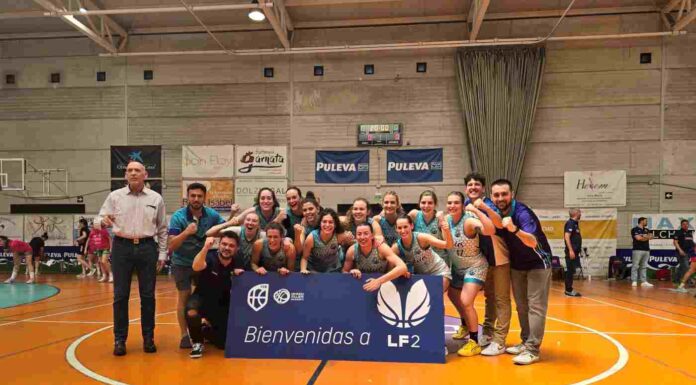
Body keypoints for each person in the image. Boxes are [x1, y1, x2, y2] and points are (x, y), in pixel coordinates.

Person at [96, 160, 168, 357]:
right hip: (121, 248)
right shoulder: (114, 197)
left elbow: (162, 229)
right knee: (120, 296)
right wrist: (102, 221)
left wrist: (162, 253)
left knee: (148, 296)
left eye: (137, 170)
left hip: (147, 247)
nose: (133, 173)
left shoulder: (156, 198)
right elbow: (97, 221)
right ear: (125, 175)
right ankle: (119, 340)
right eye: (130, 170)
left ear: (145, 175)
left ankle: (148, 338)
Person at [490, 179, 553, 365]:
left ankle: (533, 350)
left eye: (504, 194)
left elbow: (533, 241)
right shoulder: (497, 212)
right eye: (497, 195)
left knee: (535, 306)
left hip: (538, 263)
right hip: (518, 265)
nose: (500, 198)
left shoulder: (522, 212)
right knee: (521, 306)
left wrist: (514, 229)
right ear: (492, 197)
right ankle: (526, 342)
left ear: (511, 195)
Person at [168, 183, 228, 349]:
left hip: (202, 264)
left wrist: (234, 220)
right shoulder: (178, 217)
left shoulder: (212, 214)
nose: (196, 199)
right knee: (184, 297)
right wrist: (186, 232)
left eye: (199, 196)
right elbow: (171, 245)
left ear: (204, 197)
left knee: (204, 297)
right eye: (192, 196)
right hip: (182, 264)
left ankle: (203, 328)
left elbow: (224, 228)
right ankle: (184, 335)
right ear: (187, 197)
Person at [462, 172, 510, 356]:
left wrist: (479, 208)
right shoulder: (466, 205)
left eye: (477, 184)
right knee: (489, 298)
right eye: (470, 184)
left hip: (499, 258)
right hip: (483, 260)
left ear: (483, 189)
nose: (473, 187)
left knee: (501, 299)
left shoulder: (488, 204)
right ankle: (488, 333)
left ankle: (500, 340)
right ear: (466, 188)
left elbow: (496, 225)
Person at [445, 191, 495, 357]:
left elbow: (490, 230)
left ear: (462, 205)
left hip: (475, 266)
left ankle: (474, 342)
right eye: (449, 202)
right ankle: (466, 324)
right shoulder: (445, 220)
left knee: (466, 301)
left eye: (456, 203)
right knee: (452, 294)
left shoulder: (468, 221)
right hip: (457, 267)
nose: (452, 206)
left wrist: (478, 211)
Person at [186, 231, 244, 359]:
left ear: (236, 248)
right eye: (224, 244)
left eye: (231, 245)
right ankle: (197, 343)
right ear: (219, 244)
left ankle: (206, 330)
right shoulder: (210, 256)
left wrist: (243, 274)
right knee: (191, 311)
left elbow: (249, 277)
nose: (227, 248)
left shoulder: (239, 260)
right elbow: (196, 267)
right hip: (203, 297)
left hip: (223, 303)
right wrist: (205, 247)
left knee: (222, 344)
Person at [393, 215, 453, 290]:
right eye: (399, 228)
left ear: (411, 226)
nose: (402, 230)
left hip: (439, 272)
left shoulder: (421, 238)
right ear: (396, 229)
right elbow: (390, 269)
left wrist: (447, 230)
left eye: (405, 227)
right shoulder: (396, 248)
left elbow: (448, 245)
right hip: (421, 277)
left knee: (433, 296)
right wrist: (402, 271)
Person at [343, 222, 407, 291]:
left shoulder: (381, 248)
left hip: (383, 285)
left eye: (366, 233)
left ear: (372, 235)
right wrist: (351, 272)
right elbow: (344, 271)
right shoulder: (352, 251)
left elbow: (402, 267)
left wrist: (378, 281)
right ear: (356, 236)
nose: (362, 237)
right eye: (359, 234)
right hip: (362, 287)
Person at [300, 208, 352, 274]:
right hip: (314, 271)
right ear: (320, 223)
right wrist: (303, 270)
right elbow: (304, 258)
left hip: (334, 271)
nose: (327, 225)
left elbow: (356, 244)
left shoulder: (340, 235)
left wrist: (350, 238)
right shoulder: (311, 237)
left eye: (330, 222)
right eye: (324, 221)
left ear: (335, 225)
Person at [408, 191, 445, 256]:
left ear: (435, 204)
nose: (426, 206)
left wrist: (442, 221)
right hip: (420, 259)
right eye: (423, 202)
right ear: (419, 204)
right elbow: (400, 223)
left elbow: (448, 243)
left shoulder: (440, 218)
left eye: (430, 203)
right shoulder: (414, 215)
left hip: (439, 259)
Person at [563, 208, 583, 297]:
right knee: (570, 271)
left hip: (575, 252)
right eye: (579, 212)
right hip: (571, 252)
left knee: (572, 270)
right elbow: (567, 236)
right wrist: (571, 250)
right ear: (575, 213)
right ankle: (568, 290)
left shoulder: (575, 224)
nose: (580, 214)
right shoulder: (570, 223)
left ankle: (569, 289)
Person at [631, 217, 654, 288]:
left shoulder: (647, 230)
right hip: (637, 250)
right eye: (645, 221)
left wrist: (643, 237)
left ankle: (643, 281)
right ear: (641, 221)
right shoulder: (634, 229)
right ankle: (634, 281)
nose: (646, 222)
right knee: (635, 265)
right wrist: (646, 237)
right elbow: (638, 238)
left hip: (646, 250)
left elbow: (651, 236)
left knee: (644, 266)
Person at [675, 221, 695, 294]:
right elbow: (675, 242)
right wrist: (680, 250)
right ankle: (689, 282)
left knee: (682, 267)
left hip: (690, 253)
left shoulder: (690, 233)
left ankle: (676, 279)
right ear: (681, 225)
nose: (685, 225)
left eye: (687, 224)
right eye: (684, 224)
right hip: (681, 253)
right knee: (686, 267)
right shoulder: (679, 232)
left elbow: (692, 243)